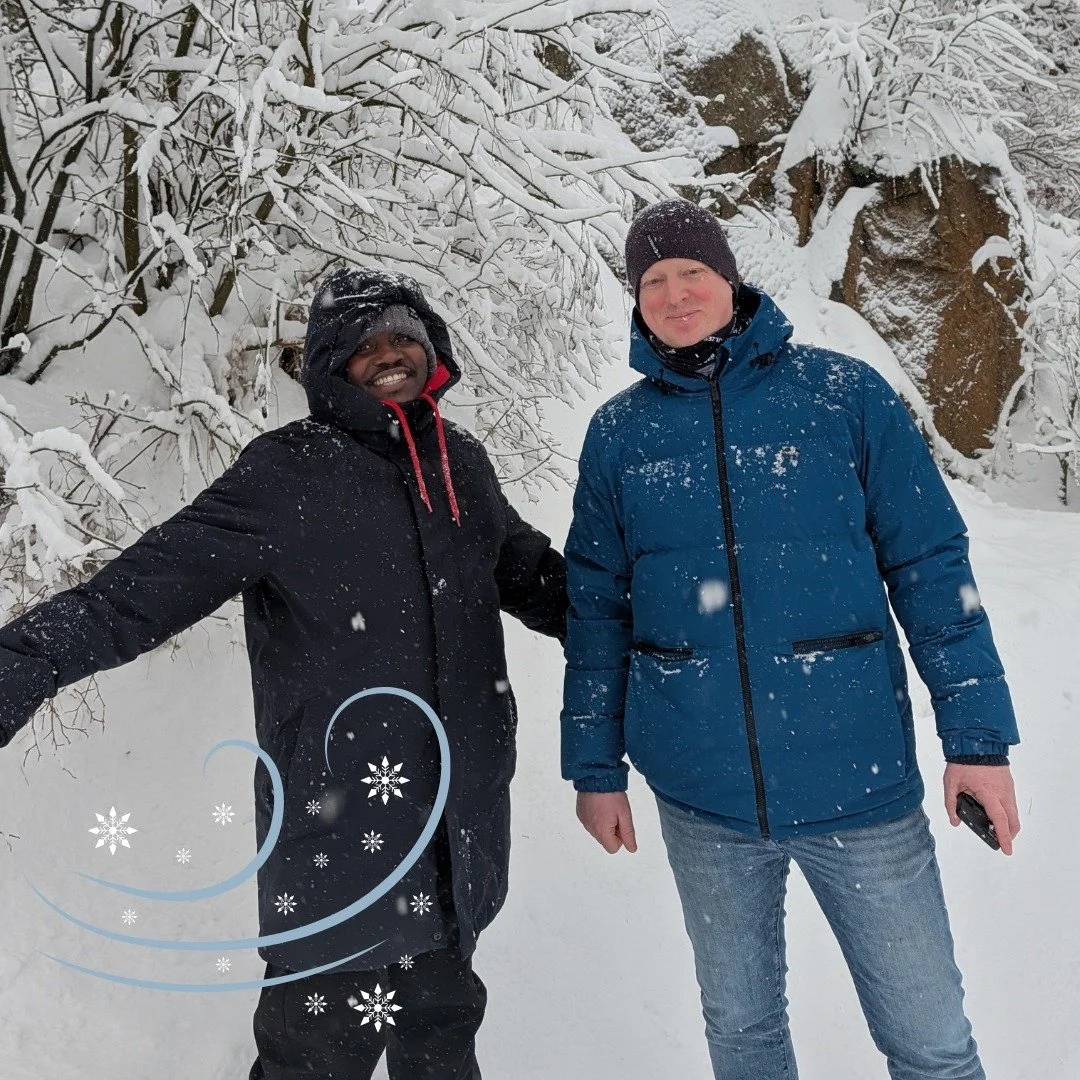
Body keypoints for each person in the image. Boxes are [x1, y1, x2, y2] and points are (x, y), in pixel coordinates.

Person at [0, 266, 567, 1080]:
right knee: (313, 1056)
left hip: (458, 834)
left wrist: (652, 634)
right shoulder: (287, 474)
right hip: (341, 840)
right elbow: (135, 595)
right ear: (331, 365)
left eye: (405, 336)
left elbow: (534, 578)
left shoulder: (460, 464)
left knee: (442, 1045)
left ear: (433, 349)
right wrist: (18, 664)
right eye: (365, 345)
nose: (390, 355)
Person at [560, 198, 1020, 1080]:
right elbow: (598, 610)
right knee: (743, 1036)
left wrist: (978, 741)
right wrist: (594, 770)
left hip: (860, 785)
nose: (676, 293)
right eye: (653, 280)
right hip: (702, 796)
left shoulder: (843, 396)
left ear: (730, 279)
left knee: (931, 1042)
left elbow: (931, 569)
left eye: (693, 272)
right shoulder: (620, 434)